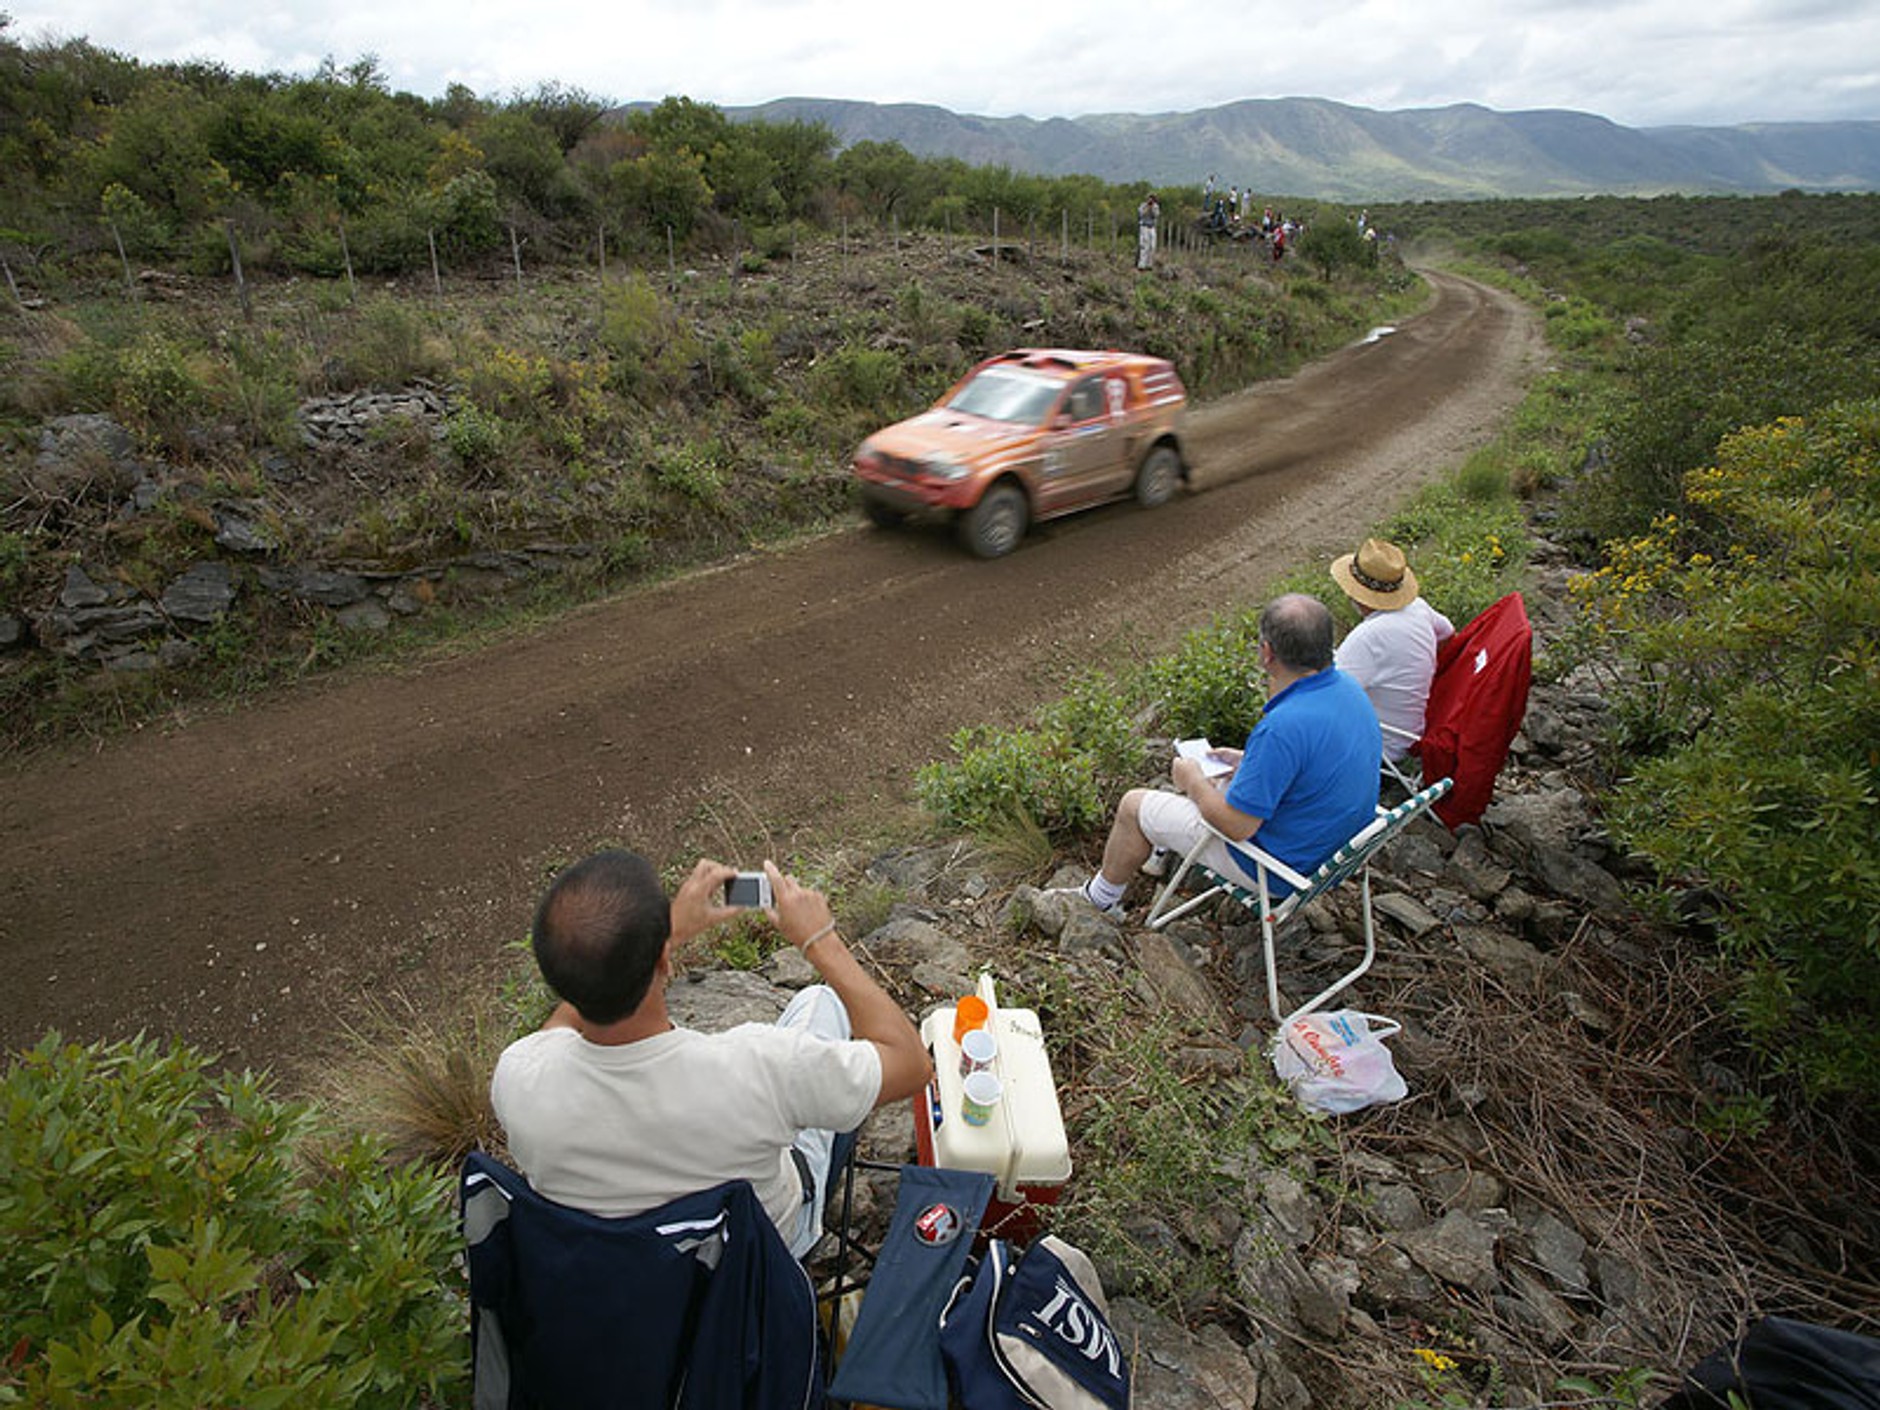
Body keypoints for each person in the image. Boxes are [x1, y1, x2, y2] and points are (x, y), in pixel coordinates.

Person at [490, 851, 932, 1259]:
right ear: (664, 962)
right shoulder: (761, 1067)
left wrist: (664, 937)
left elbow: (559, 1028)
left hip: (620, 1283)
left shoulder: (520, 1077)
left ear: (556, 980)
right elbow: (912, 1066)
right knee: (819, 1002)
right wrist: (820, 940)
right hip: (757, 1264)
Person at [1065, 593, 1380, 914]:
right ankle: (1158, 850)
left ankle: (1099, 899)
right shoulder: (1349, 690)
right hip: (1331, 851)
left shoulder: (1283, 726)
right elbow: (1314, 761)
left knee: (1133, 805)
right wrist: (1248, 762)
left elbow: (1237, 827)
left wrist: (1192, 782)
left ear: (1267, 653)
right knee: (1218, 783)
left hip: (1279, 869)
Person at [1329, 537, 1455, 760]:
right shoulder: (1418, 608)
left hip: (1382, 746)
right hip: (1412, 730)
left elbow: (1330, 698)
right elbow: (1448, 634)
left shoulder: (1368, 637)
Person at [1136, 193, 1160, 270]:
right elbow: (1141, 214)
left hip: (1152, 227)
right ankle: (1142, 264)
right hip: (1144, 226)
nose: (1151, 200)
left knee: (1152, 246)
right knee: (1144, 245)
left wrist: (1152, 207)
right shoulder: (1142, 205)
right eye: (1150, 198)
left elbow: (1156, 215)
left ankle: (1149, 264)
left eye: (1152, 198)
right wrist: (1147, 207)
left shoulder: (1156, 206)